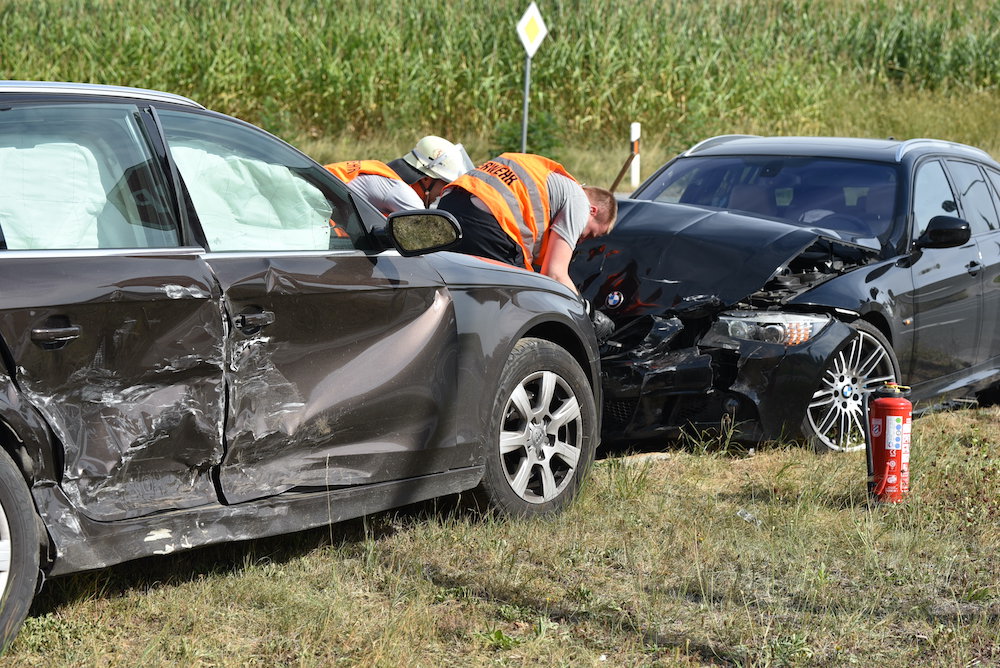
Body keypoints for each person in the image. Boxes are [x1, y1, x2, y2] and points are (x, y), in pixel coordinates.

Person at [437, 152, 617, 295]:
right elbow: (554, 274)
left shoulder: (548, 177)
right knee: (523, 297)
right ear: (592, 211)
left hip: (449, 205)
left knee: (457, 286)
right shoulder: (580, 202)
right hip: (487, 220)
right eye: (590, 234)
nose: (581, 240)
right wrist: (585, 311)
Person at [325, 136, 474, 215]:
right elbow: (424, 235)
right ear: (427, 178)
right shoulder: (400, 192)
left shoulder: (382, 172)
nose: (442, 193)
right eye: (445, 184)